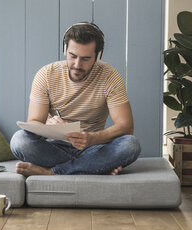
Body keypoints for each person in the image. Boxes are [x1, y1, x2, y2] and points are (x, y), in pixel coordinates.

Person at [10, 22, 141, 176]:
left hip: (94, 146)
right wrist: (49, 126)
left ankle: (52, 172)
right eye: (72, 56)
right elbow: (33, 121)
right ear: (65, 50)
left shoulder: (110, 77)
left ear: (97, 56)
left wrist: (91, 139)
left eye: (86, 59)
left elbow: (126, 127)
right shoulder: (46, 75)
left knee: (130, 145)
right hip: (55, 148)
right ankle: (93, 166)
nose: (77, 65)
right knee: (19, 140)